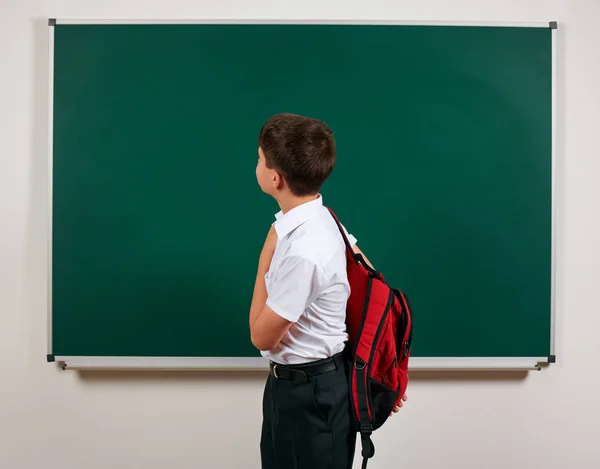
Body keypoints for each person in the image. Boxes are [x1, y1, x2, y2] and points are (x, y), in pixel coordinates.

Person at [249, 113, 406, 469]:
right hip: (291, 389)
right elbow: (370, 282)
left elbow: (261, 336)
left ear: (275, 178)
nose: (256, 164)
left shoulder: (303, 248)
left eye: (259, 159)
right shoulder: (324, 219)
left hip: (311, 398)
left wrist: (265, 258)